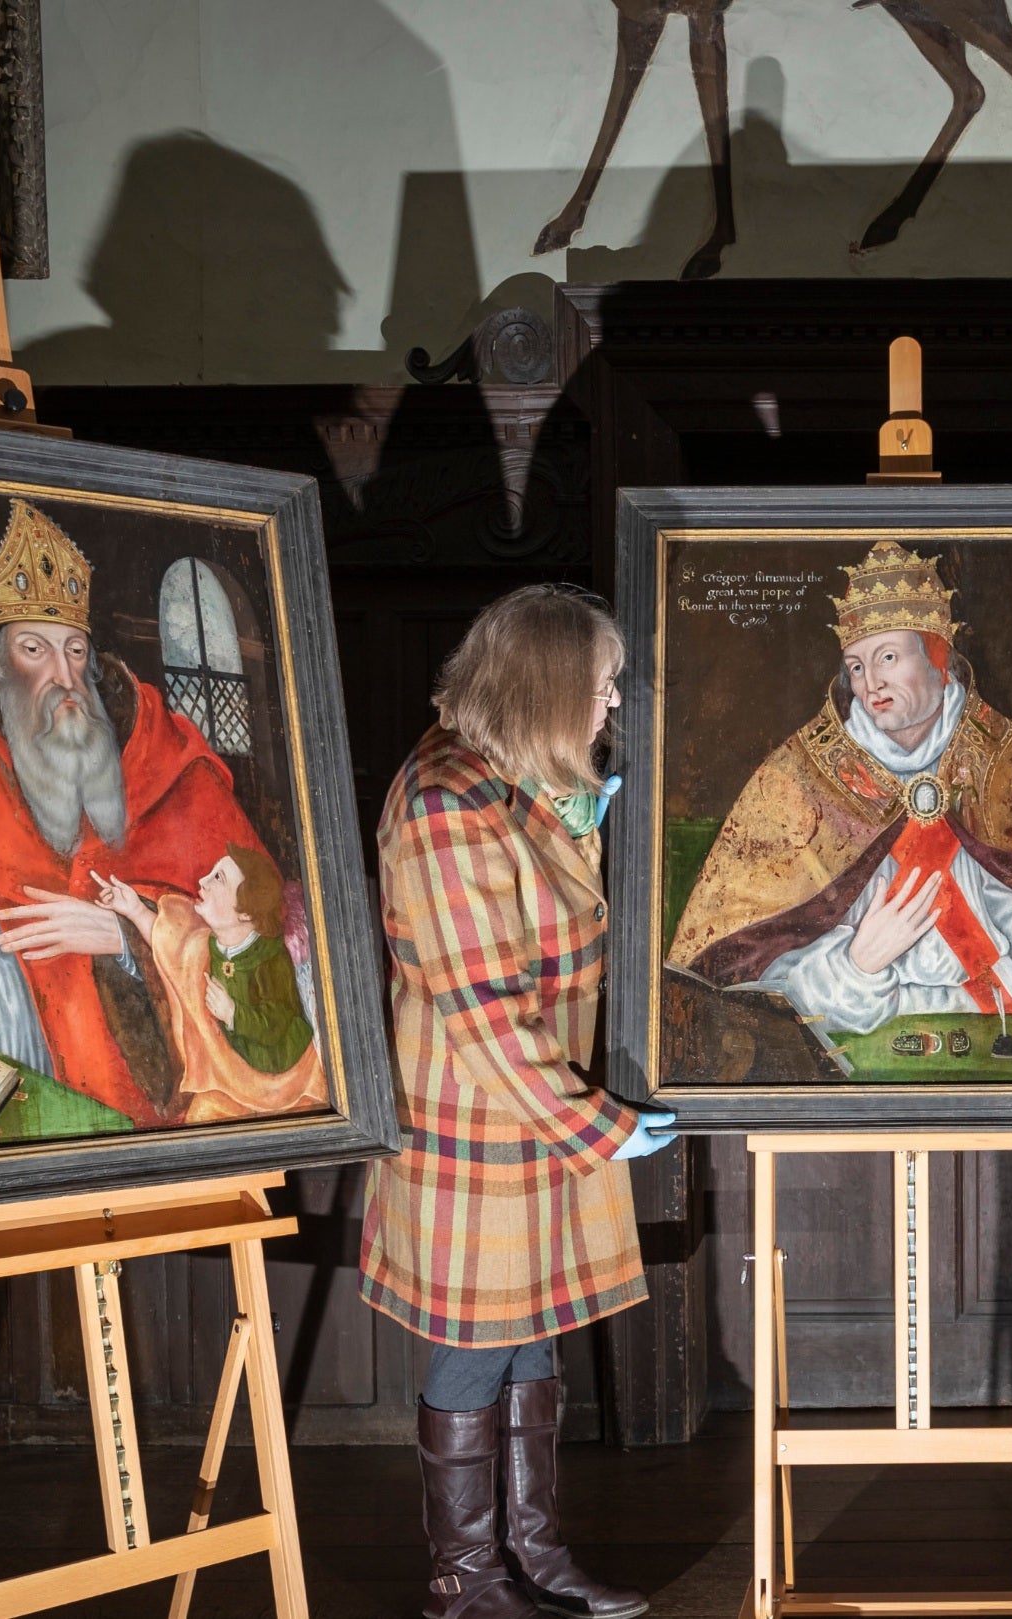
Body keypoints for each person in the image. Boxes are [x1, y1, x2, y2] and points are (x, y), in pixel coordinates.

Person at [359, 585, 676, 1619]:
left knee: (533, 1332)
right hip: (477, 1119)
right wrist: (603, 1126)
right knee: (472, 1345)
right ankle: (464, 1580)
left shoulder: (518, 778)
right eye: (601, 683)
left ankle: (534, 1555)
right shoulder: (447, 798)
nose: (613, 700)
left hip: (532, 1114)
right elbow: (486, 1009)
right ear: (544, 688)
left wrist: (582, 823)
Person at [666, 538, 1012, 1076]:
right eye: (855, 667)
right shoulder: (798, 778)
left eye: (888, 658)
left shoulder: (998, 759)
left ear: (939, 659)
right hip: (850, 1032)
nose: (870, 684)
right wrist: (858, 964)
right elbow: (743, 966)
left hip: (1000, 1021)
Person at [0, 499, 260, 1123]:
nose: (63, 675)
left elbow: (271, 933)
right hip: (46, 1088)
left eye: (74, 651)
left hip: (175, 1112)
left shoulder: (175, 763)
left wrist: (132, 935)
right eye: (33, 649)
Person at [89, 847, 324, 1124]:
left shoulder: (271, 960)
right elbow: (173, 944)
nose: (203, 881)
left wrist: (234, 1014)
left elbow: (277, 1022)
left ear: (246, 912)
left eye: (218, 879)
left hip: (283, 1085)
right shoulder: (207, 944)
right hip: (228, 1081)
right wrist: (133, 908)